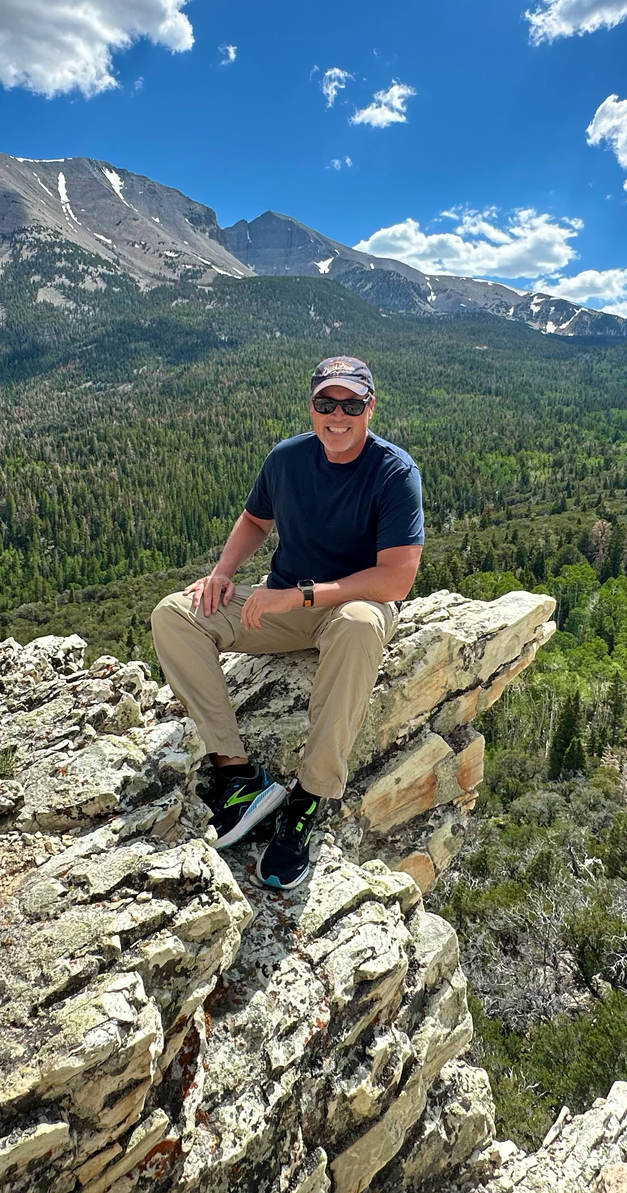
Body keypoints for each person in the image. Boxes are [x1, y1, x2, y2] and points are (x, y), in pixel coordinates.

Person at [150, 355, 424, 890]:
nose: (337, 415)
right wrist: (221, 574)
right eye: (327, 403)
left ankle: (309, 797)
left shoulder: (395, 472)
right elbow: (256, 518)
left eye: (350, 404)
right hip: (286, 607)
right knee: (175, 614)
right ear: (312, 406)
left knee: (359, 625)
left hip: (351, 607)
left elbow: (395, 582)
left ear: (371, 406)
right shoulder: (288, 459)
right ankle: (237, 775)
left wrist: (298, 595)